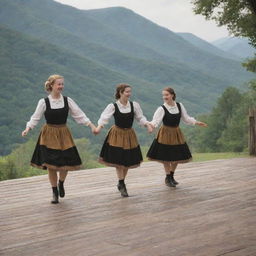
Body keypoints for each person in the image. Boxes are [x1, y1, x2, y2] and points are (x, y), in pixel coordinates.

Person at [22, 74, 96, 204]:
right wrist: (28, 128)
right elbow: (35, 117)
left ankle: (61, 182)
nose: (61, 86)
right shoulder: (44, 102)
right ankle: (54, 191)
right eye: (59, 84)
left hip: (63, 134)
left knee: (65, 164)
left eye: (62, 84)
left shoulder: (67, 101)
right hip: (49, 135)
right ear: (51, 85)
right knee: (51, 165)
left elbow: (79, 115)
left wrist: (91, 125)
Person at [94, 83, 153, 197]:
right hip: (117, 134)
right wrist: (98, 128)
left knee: (127, 161)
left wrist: (147, 125)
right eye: (127, 92)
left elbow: (140, 117)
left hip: (129, 134)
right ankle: (122, 183)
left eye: (130, 92)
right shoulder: (113, 106)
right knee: (119, 161)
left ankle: (121, 182)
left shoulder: (134, 105)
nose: (129, 94)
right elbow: (104, 118)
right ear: (120, 92)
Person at [147, 87, 207, 187]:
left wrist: (196, 122)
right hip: (165, 133)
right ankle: (167, 177)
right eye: (163, 95)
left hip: (176, 133)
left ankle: (171, 175)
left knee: (177, 156)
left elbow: (186, 118)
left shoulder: (179, 106)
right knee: (166, 157)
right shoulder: (161, 108)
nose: (164, 97)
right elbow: (155, 121)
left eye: (166, 95)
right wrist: (150, 126)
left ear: (172, 95)